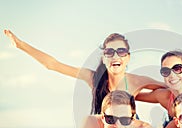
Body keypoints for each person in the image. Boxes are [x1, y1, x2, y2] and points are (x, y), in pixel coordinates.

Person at [4, 30, 166, 114]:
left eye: (121, 51)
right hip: (102, 127)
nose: (115, 56)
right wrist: (21, 45)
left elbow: (169, 89)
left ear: (128, 57)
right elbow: (53, 65)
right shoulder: (93, 77)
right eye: (109, 52)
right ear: (104, 58)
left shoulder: (137, 81)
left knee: (164, 94)